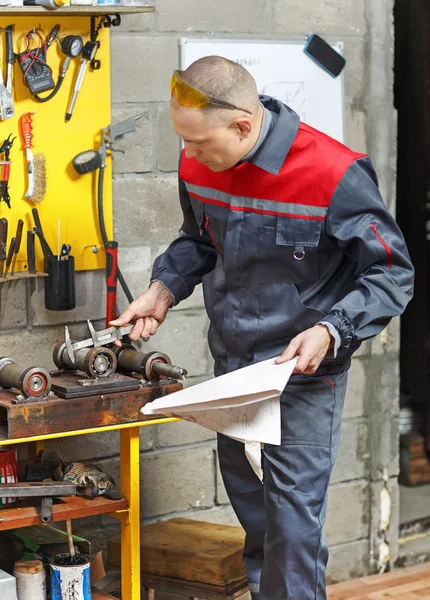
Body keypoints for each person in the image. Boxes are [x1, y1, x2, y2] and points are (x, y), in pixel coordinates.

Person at [111, 56, 414, 600]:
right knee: (258, 523)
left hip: (302, 374)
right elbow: (199, 242)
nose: (189, 156)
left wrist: (333, 329)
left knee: (293, 532)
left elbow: (392, 271)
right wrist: (161, 290)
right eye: (183, 141)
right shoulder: (201, 163)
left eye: (198, 142)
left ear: (243, 126)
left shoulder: (332, 172)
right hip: (233, 370)